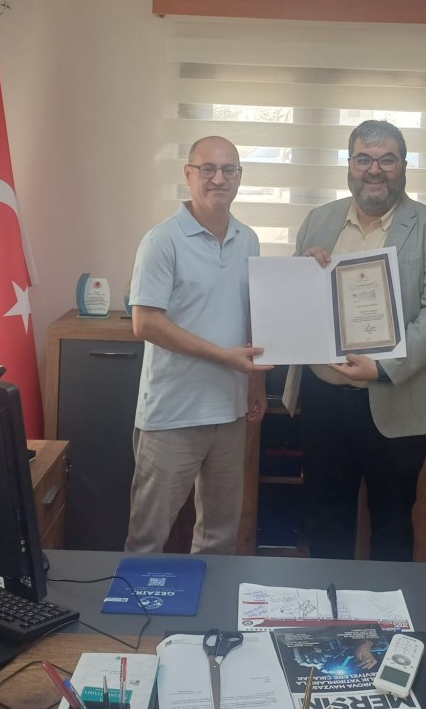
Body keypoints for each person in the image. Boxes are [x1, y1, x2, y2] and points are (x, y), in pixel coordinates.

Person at [283, 120, 426, 561]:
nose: (374, 170)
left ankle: (388, 607)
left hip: (394, 399)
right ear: (349, 164)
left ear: (404, 166)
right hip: (323, 401)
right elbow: (293, 305)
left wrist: (382, 367)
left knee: (393, 524)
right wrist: (301, 271)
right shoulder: (318, 221)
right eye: (363, 159)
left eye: (386, 160)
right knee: (325, 520)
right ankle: (327, 603)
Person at [125, 135, 272, 555]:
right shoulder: (162, 241)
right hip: (172, 414)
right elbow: (145, 322)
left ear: (240, 177)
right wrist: (222, 356)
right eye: (207, 169)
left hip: (229, 412)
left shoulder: (249, 239)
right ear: (188, 175)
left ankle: (209, 603)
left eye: (229, 170)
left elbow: (250, 315)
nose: (218, 179)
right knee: (147, 539)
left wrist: (256, 385)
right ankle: (136, 604)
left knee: (219, 539)